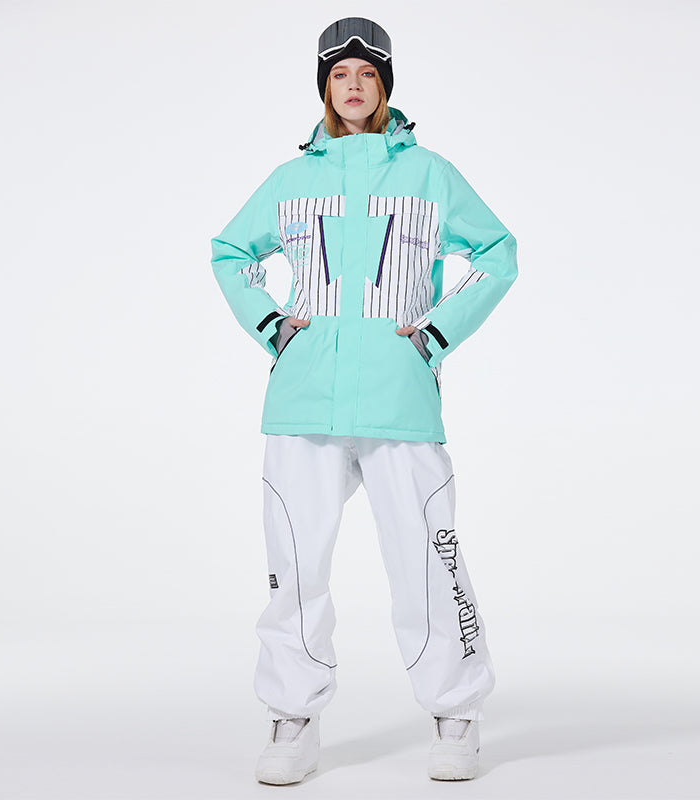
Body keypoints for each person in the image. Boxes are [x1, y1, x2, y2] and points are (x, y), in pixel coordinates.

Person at [210, 17, 518, 785]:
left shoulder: (430, 175)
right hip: (303, 402)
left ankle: (456, 709)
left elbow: (497, 253)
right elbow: (230, 251)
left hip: (398, 400)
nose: (353, 85)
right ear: (325, 87)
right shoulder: (291, 181)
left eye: (367, 74)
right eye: (340, 74)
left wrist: (436, 333)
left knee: (427, 561)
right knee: (294, 567)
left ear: (385, 86)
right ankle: (293, 714)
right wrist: (274, 326)